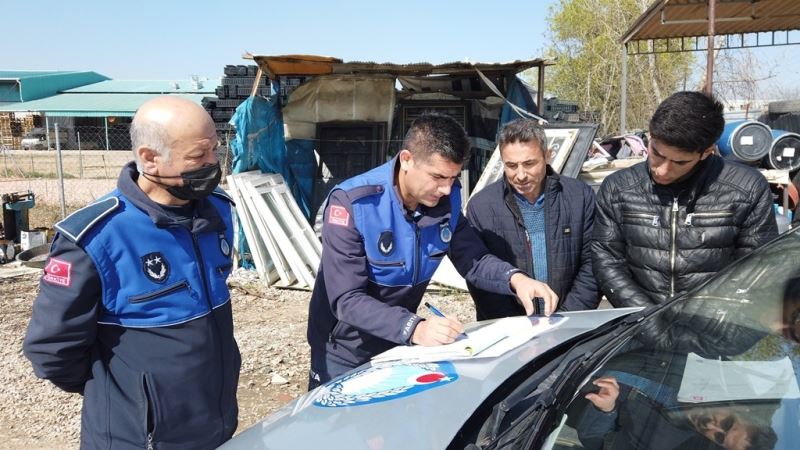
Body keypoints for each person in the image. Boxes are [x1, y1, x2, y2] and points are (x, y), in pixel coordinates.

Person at [23, 96, 240, 449]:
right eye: (199, 156)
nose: (214, 163)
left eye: (215, 149)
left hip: (214, 425)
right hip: (139, 439)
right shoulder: (97, 237)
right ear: (150, 159)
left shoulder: (216, 211)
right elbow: (52, 351)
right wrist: (128, 399)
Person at [307, 113, 558, 389]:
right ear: (406, 160)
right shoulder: (354, 205)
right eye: (438, 176)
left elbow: (473, 258)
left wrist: (516, 279)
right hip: (344, 348)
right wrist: (416, 328)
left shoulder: (445, 200)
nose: (446, 188)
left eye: (452, 178)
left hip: (400, 343)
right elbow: (347, 299)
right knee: (342, 427)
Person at [592, 91, 778, 308]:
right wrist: (648, 318)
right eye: (657, 154)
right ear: (650, 136)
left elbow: (755, 267)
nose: (662, 170)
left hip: (714, 326)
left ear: (706, 152)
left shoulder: (746, 188)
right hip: (639, 322)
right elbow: (607, 260)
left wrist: (700, 319)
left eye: (679, 163)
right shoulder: (618, 188)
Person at [466, 118, 598, 320]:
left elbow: (593, 264)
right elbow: (480, 275)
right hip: (507, 329)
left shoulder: (579, 197)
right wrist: (515, 325)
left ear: (547, 156)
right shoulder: (482, 206)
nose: (520, 175)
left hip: (569, 323)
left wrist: (568, 318)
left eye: (529, 164)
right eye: (511, 165)